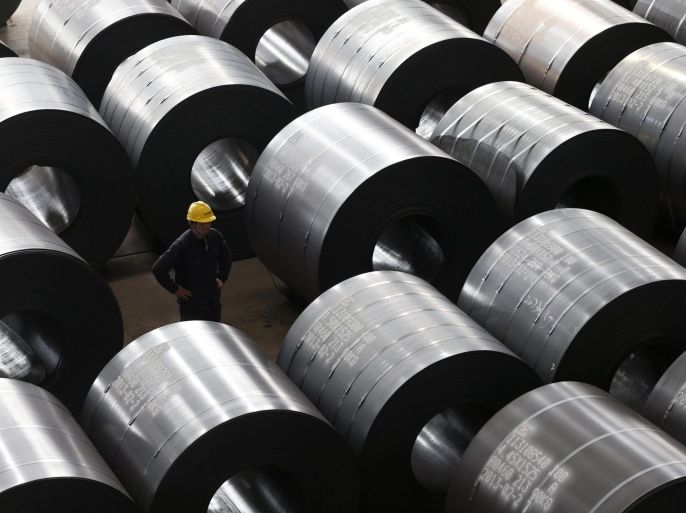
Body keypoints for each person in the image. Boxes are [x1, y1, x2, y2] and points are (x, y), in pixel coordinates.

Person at [152, 201, 231, 322]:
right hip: (192, 305)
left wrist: (222, 277)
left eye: (209, 222)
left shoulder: (215, 236)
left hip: (212, 300)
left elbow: (226, 257)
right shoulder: (182, 245)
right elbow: (158, 268)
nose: (207, 226)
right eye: (202, 223)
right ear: (192, 223)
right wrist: (175, 289)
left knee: (214, 334)